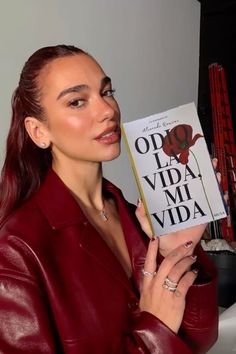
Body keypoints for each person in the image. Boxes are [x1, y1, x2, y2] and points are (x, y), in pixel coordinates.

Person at [0, 44, 218, 354]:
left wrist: (179, 250)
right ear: (38, 131)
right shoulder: (15, 250)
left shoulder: (136, 216)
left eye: (107, 92)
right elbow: (163, 335)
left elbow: (198, 341)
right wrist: (153, 327)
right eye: (77, 101)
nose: (107, 110)